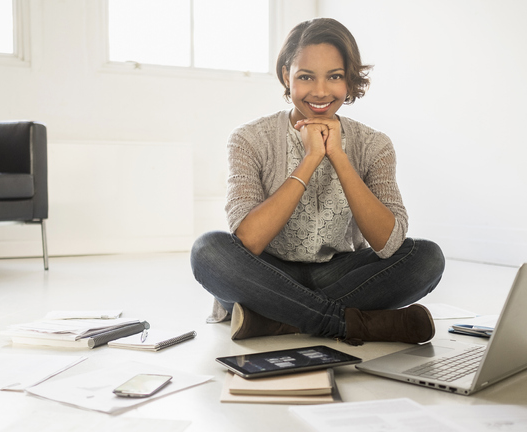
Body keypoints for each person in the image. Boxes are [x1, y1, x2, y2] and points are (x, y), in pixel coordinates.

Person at [190, 18, 445, 345]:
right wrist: (310, 159)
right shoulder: (249, 139)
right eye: (306, 77)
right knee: (208, 250)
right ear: (287, 76)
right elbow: (250, 240)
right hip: (266, 272)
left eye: (335, 76)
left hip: (338, 271)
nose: (321, 91)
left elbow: (389, 242)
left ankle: (276, 320)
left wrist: (337, 155)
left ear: (349, 79)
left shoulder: (374, 145)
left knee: (426, 258)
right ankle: (347, 323)